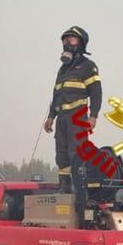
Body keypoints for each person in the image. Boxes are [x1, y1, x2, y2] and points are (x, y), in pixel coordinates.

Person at [43, 26, 102, 193]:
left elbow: (96, 92)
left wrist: (93, 116)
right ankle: (64, 186)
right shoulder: (63, 69)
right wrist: (50, 117)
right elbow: (56, 94)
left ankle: (79, 187)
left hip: (77, 118)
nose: (67, 43)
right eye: (64, 40)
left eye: (71, 39)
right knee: (61, 153)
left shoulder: (88, 66)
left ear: (81, 43)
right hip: (61, 118)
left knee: (75, 151)